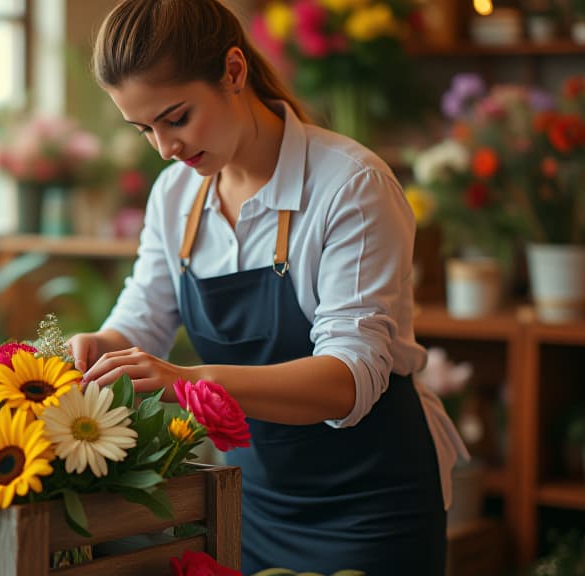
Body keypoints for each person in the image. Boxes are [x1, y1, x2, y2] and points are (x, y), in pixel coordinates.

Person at [67, 1, 468, 574]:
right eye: (145, 129)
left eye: (176, 118)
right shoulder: (175, 196)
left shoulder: (350, 185)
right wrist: (104, 344)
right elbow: (144, 316)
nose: (165, 149)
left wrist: (190, 381)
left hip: (369, 507)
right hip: (251, 501)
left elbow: (349, 377)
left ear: (233, 71)